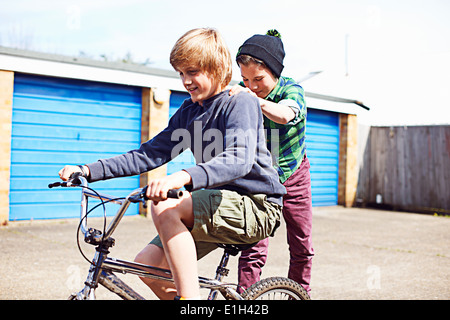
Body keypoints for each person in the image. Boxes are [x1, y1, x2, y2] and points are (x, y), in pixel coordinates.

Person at [58, 28, 285, 300]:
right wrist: (87, 170)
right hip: (215, 204)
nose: (185, 81)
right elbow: (149, 154)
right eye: (180, 73)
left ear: (217, 68)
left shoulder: (239, 101)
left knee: (165, 205)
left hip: (256, 205)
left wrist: (182, 178)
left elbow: (238, 159)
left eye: (192, 72)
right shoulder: (190, 111)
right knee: (147, 266)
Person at [229, 29, 314, 294]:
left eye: (258, 79)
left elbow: (285, 115)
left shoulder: (292, 90)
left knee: (301, 242)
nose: (251, 86)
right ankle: (246, 298)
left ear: (274, 73)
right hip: (262, 179)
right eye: (245, 79)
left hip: (294, 175)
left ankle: (300, 294)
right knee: (253, 244)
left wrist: (254, 101)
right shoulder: (244, 91)